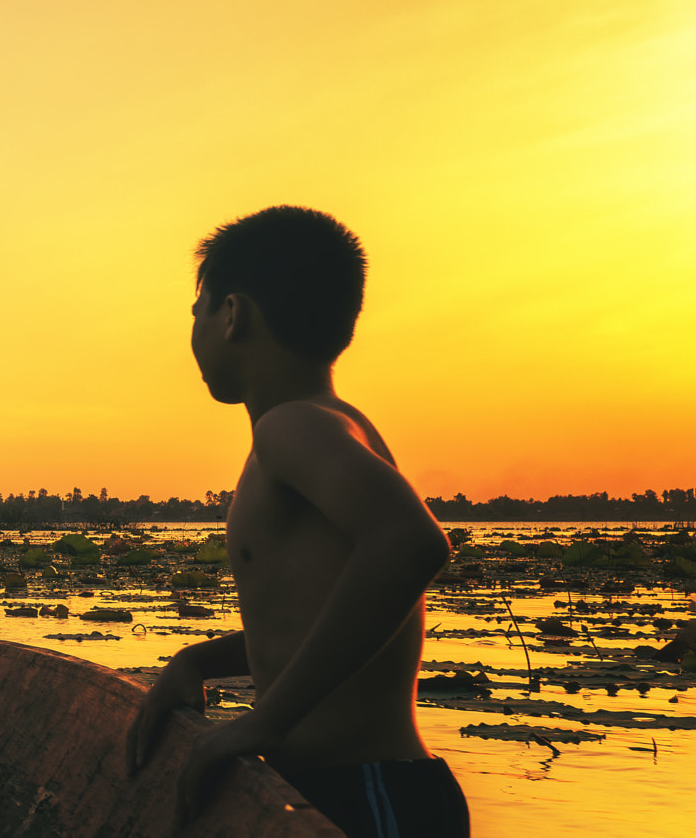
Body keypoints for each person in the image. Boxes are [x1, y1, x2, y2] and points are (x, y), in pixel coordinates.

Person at [125, 206, 468, 837]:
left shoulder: (295, 426)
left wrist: (262, 722)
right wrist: (199, 660)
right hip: (341, 787)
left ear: (233, 315)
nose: (195, 331)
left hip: (369, 791)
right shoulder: (315, 425)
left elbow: (410, 542)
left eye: (196, 311)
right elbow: (299, 627)